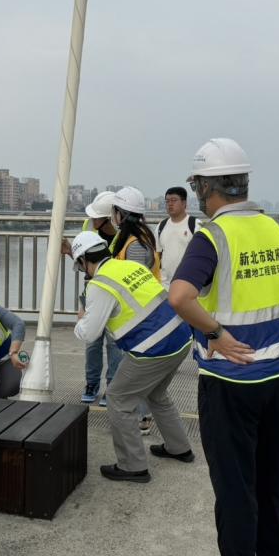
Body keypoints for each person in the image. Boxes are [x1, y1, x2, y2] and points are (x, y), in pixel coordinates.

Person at [170, 138, 279, 556]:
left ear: (207, 187)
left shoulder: (212, 236)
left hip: (233, 379)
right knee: (271, 468)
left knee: (234, 483)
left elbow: (180, 297)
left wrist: (216, 335)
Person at [71, 231, 195, 482]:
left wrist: (80, 319)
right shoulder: (128, 265)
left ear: (84, 261)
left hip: (153, 348)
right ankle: (179, 448)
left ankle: (132, 465)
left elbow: (89, 333)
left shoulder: (99, 284)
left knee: (118, 398)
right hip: (180, 337)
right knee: (157, 394)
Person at [110, 186, 162, 433]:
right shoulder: (135, 237)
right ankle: (141, 416)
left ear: (122, 213)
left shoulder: (136, 244)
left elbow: (135, 280)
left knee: (134, 373)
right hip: (138, 314)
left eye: (115, 211)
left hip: (140, 317)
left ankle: (141, 419)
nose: (113, 216)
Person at [64, 190, 121, 406]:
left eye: (97, 216)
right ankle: (91, 383)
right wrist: (71, 252)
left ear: (109, 217)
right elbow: (87, 265)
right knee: (92, 342)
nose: (92, 219)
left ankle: (112, 387)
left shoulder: (121, 237)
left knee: (114, 343)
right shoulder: (88, 229)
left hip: (113, 295)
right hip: (92, 291)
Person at [155, 186, 200, 289]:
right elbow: (157, 255)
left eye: (174, 200)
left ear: (184, 203)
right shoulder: (160, 227)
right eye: (167, 201)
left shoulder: (195, 225)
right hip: (165, 286)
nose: (170, 204)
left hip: (189, 286)